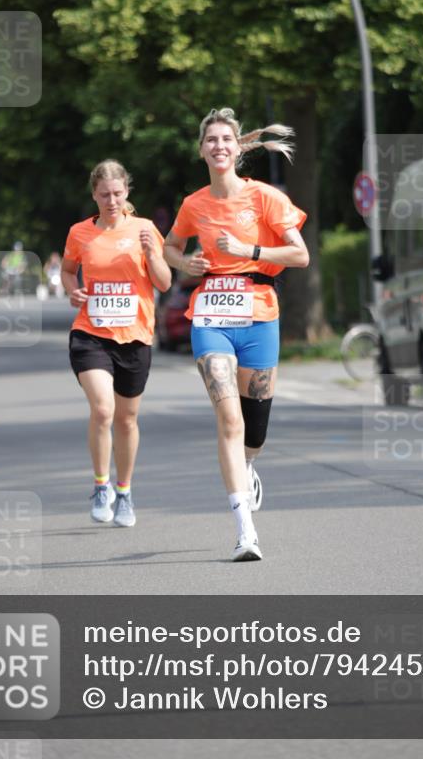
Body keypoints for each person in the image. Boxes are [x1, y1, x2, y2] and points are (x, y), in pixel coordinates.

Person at [163, 108, 309, 562]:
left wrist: (250, 249)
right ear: (201, 150)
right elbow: (170, 246)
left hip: (260, 314)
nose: (219, 146)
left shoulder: (265, 197)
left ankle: (248, 465)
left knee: (254, 428)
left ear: (238, 147)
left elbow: (300, 255)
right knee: (229, 419)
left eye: (226, 139)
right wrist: (184, 262)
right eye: (211, 140)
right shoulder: (194, 204)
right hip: (210, 316)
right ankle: (246, 530)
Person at [61, 160, 171, 527]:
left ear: (127, 192)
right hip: (90, 333)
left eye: (118, 193)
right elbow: (67, 270)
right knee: (104, 409)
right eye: (105, 194)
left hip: (135, 337)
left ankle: (124, 491)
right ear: (94, 195)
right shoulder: (80, 232)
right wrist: (72, 290)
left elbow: (164, 282)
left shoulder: (144, 229)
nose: (112, 201)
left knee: (126, 419)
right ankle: (101, 485)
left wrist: (152, 254)